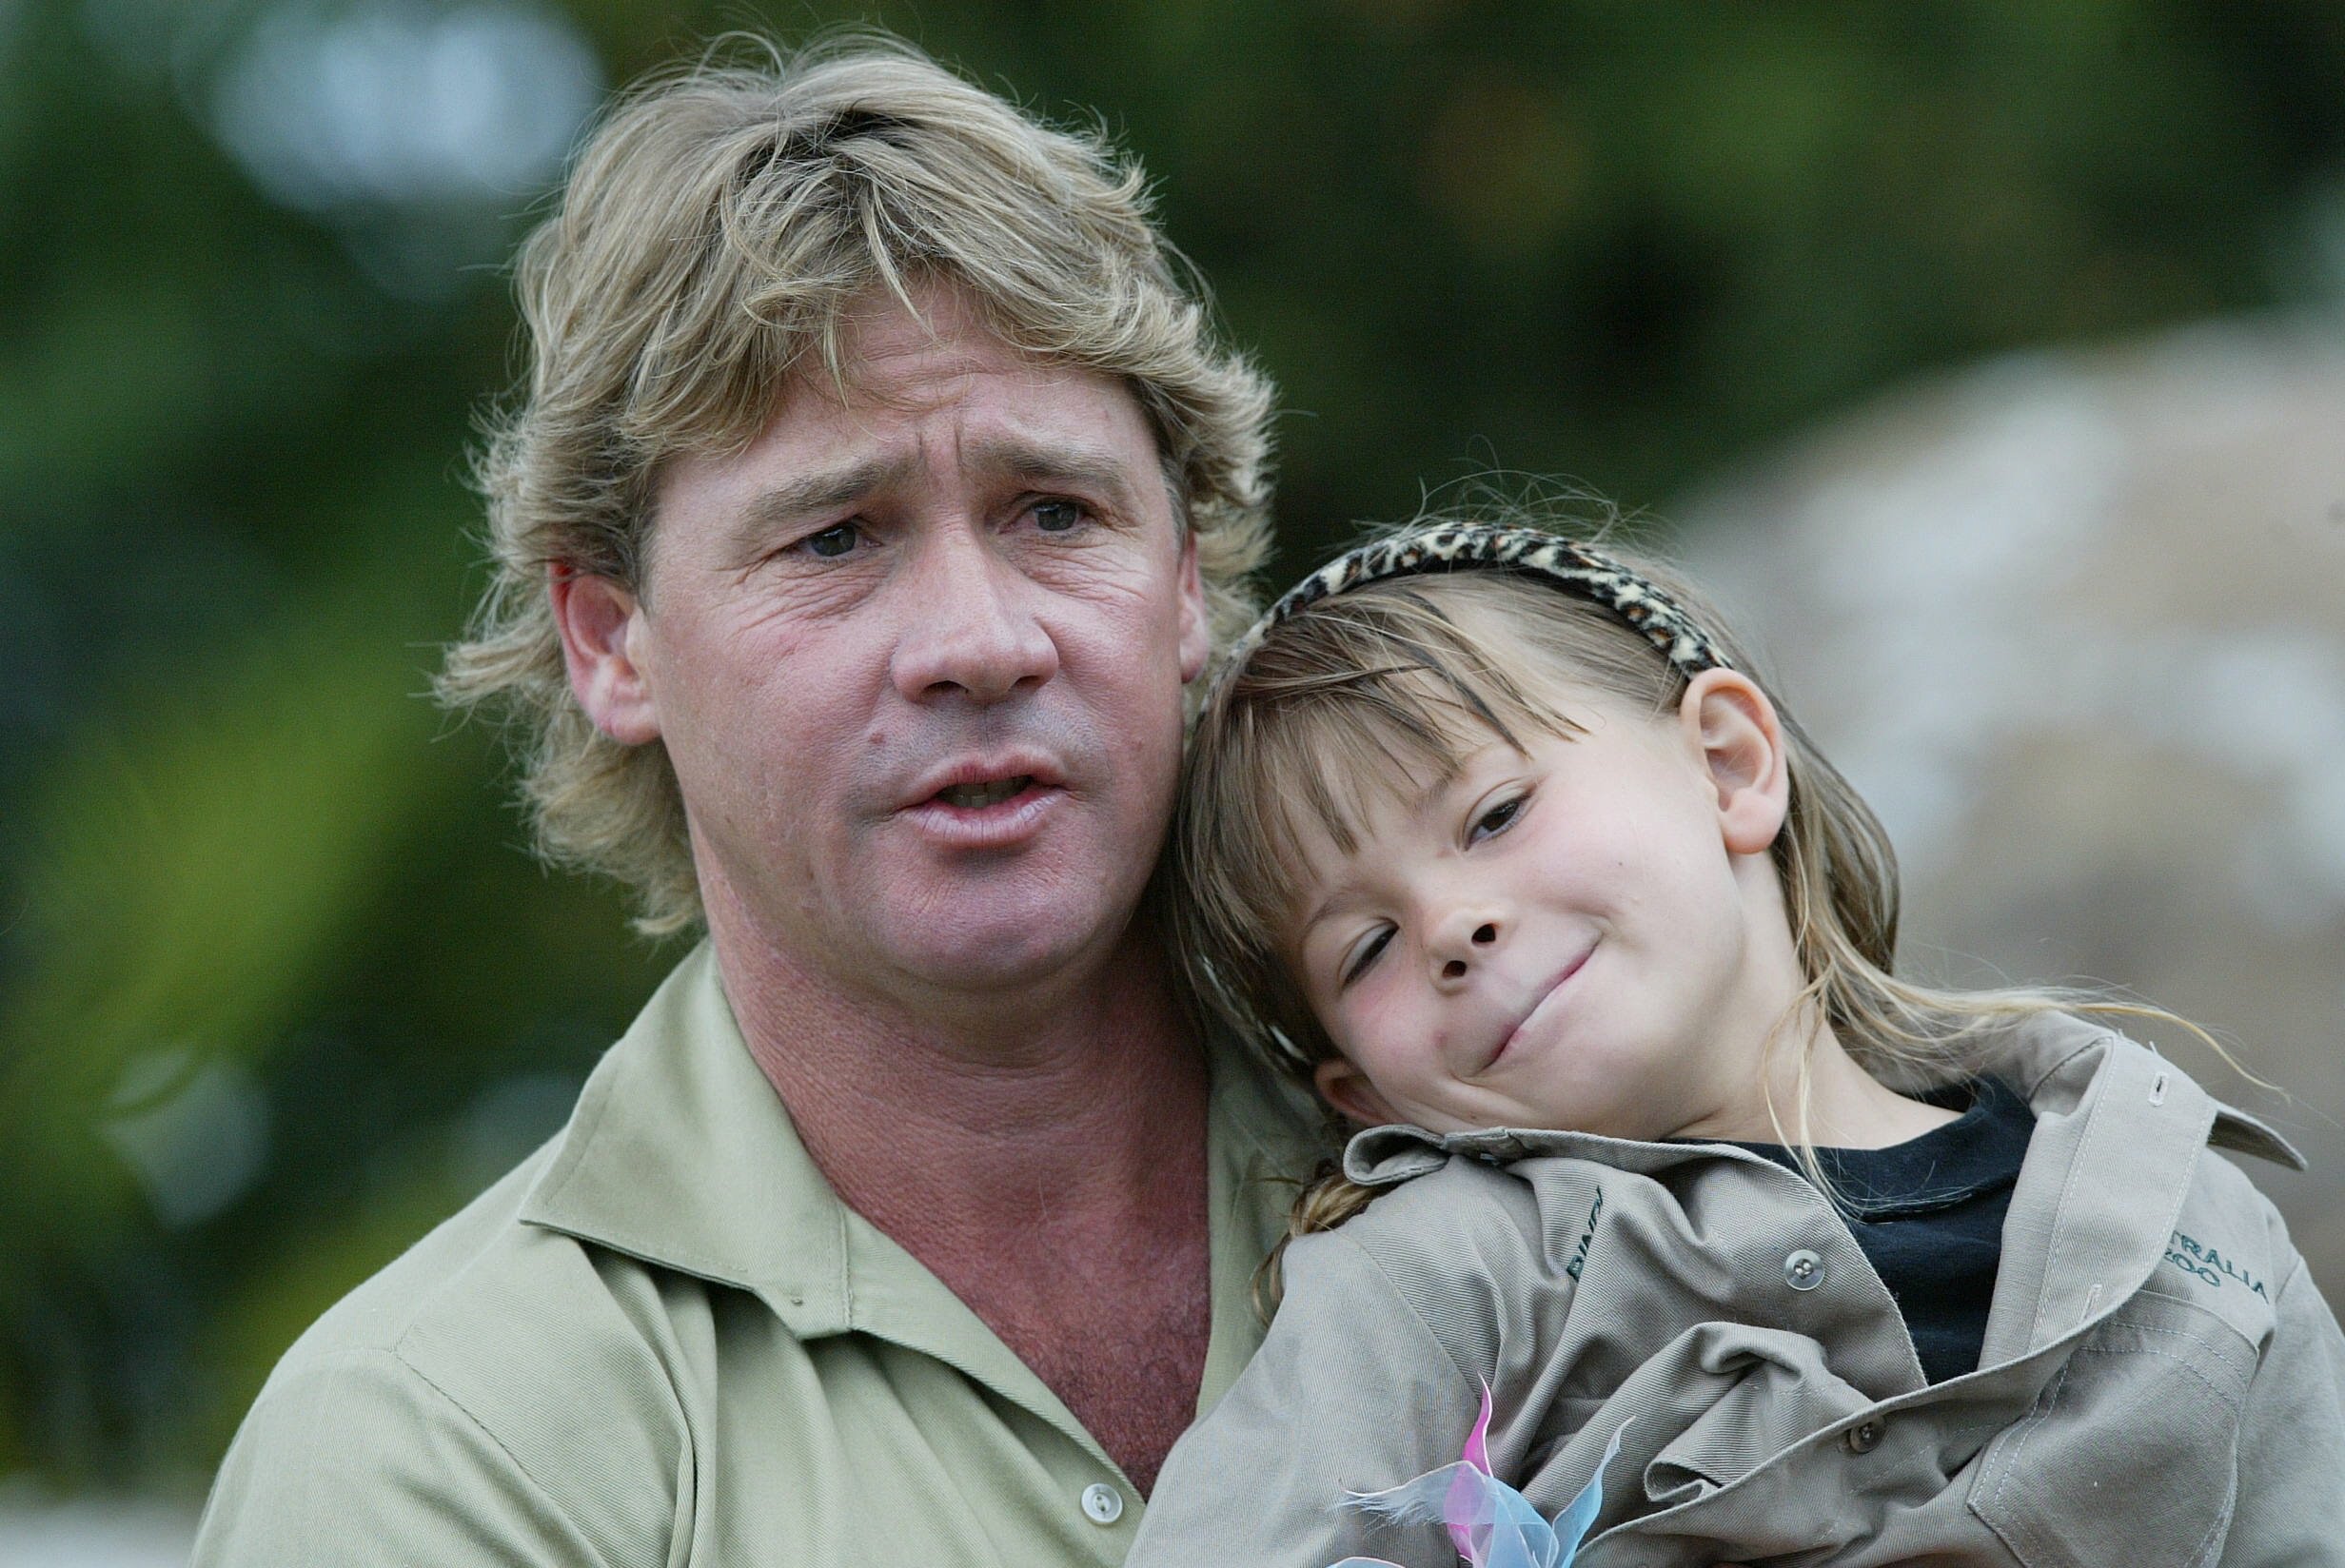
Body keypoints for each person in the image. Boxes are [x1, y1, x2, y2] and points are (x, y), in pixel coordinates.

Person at [191, 38, 1321, 1566]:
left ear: (1184, 583)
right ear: (613, 642)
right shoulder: (440, 1453)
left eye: (1055, 512)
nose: (981, 643)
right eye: (837, 541)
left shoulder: (1549, 1149)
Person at [1126, 519, 2345, 1567]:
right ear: (1362, 1089)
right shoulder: (1440, 1278)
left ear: (1727, 763)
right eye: (1365, 948)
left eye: (1494, 813)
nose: (1449, 924)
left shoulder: (2190, 1219)